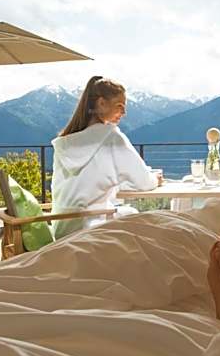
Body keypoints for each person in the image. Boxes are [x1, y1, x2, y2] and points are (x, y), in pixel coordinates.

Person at [50, 76, 162, 238]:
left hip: (63, 228)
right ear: (101, 103)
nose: (124, 112)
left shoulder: (65, 142)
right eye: (119, 106)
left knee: (129, 213)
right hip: (89, 227)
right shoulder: (111, 136)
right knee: (142, 220)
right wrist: (155, 179)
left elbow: (90, 182)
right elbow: (144, 182)